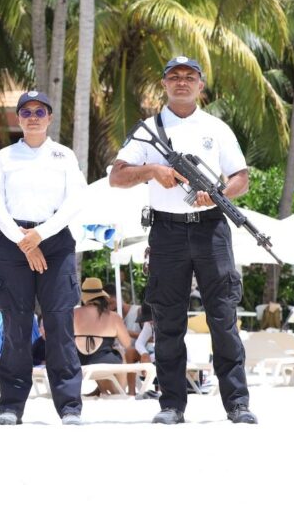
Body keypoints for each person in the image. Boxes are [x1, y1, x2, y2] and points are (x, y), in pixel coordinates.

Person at [109, 55, 256, 425]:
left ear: (200, 85)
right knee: (168, 321)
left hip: (211, 229)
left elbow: (241, 177)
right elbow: (118, 176)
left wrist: (220, 191)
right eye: (174, 77)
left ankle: (237, 404)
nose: (182, 82)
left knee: (223, 318)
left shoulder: (216, 128)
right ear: (164, 84)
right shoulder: (148, 129)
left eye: (189, 77)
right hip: (167, 232)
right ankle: (171, 404)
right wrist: (153, 171)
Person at [0, 90, 86, 426]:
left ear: (50, 118)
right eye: (25, 112)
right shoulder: (5, 157)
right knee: (16, 325)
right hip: (13, 243)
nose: (32, 117)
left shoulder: (64, 155)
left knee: (59, 325)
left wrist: (40, 236)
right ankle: (10, 407)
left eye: (39, 112)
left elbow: (75, 200)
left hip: (55, 242)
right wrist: (23, 240)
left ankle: (69, 406)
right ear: (18, 119)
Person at [73, 277, 133, 396]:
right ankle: (119, 390)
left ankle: (103, 389)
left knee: (94, 353)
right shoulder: (113, 317)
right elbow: (127, 344)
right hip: (105, 364)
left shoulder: (74, 313)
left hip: (78, 362)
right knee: (123, 354)